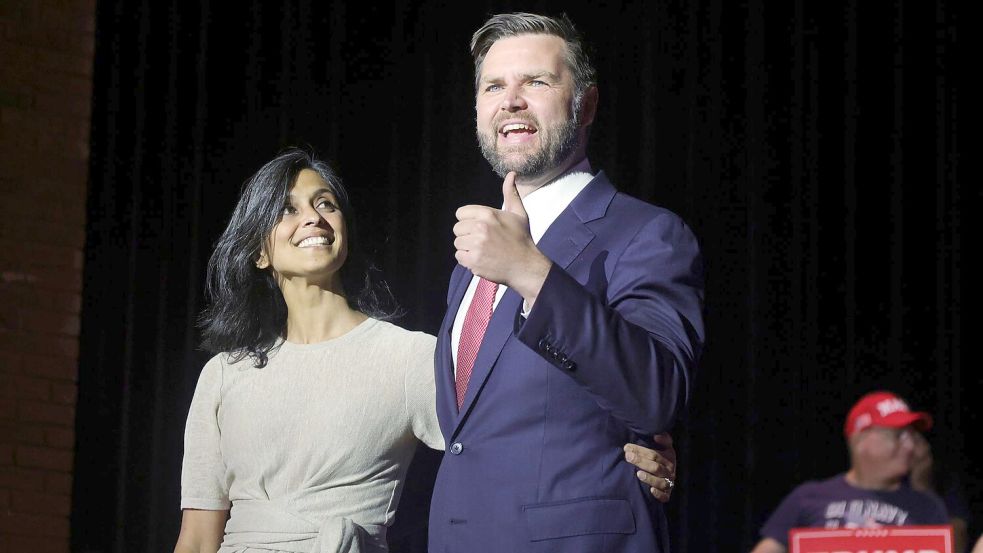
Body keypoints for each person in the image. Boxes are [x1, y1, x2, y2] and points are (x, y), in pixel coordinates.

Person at [172, 149, 679, 553]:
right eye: (287, 210)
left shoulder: (408, 358)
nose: (313, 218)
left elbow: (515, 429)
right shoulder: (224, 374)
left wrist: (632, 444)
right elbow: (197, 537)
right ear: (259, 252)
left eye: (325, 203)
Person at [428, 12, 705, 553]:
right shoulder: (473, 262)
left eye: (536, 81)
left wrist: (530, 271)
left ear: (587, 104)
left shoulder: (647, 232)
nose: (511, 100)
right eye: (493, 86)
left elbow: (658, 392)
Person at [749, 391, 950, 553]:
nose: (910, 446)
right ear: (860, 440)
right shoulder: (808, 497)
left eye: (911, 436)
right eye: (898, 436)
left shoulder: (928, 507)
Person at [909, 430, 971, 553]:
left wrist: (922, 488)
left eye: (917, 440)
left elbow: (957, 545)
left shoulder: (944, 480)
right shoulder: (875, 484)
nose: (907, 445)